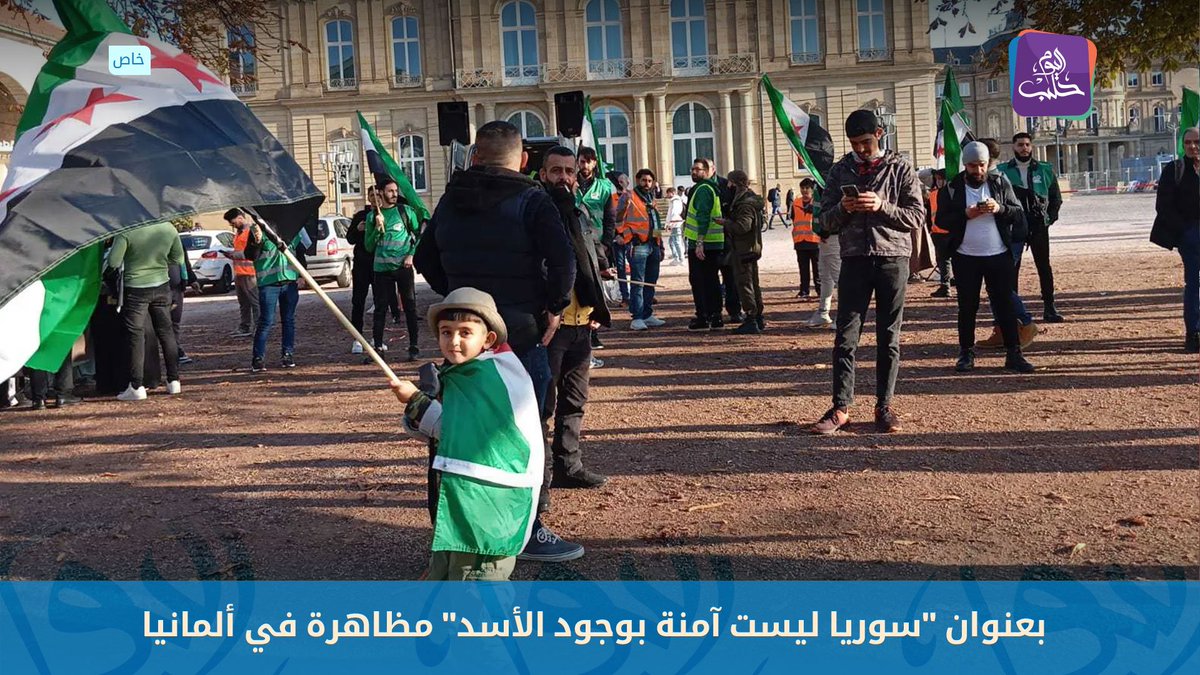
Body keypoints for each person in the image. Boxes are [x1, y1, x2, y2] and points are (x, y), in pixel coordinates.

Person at [414, 120, 582, 563]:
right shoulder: (532, 199)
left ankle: (450, 528)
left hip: (464, 339)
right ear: (524, 160)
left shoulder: (451, 199)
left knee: (453, 431)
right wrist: (554, 306)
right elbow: (564, 260)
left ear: (474, 157)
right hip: (519, 335)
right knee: (525, 432)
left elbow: (423, 257)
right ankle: (528, 530)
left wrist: (457, 302)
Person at [393, 288, 542, 581]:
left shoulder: (490, 379)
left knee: (475, 585)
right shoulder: (467, 372)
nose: (454, 341)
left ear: (488, 338)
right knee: (450, 569)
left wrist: (415, 402)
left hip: (486, 510)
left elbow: (454, 431)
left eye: (465, 332)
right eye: (446, 332)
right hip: (464, 504)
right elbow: (447, 432)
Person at [810, 110, 925, 434]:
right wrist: (842, 210)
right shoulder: (840, 170)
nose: (860, 149)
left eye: (865, 142)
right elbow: (823, 222)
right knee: (845, 337)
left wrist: (882, 206)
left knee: (889, 337)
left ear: (879, 133)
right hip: (855, 259)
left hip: (892, 260)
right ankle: (841, 408)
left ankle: (884, 407)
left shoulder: (901, 168)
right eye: (854, 144)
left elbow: (916, 216)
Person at [540, 145, 613, 489]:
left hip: (581, 325)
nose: (564, 178)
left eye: (569, 172)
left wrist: (596, 302)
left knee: (574, 401)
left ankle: (568, 466)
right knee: (542, 407)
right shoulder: (536, 213)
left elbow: (591, 255)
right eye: (556, 171)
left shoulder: (580, 211)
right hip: (548, 328)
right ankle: (538, 480)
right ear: (543, 175)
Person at [937, 141, 1036, 374]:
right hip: (965, 256)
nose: (978, 171)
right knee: (967, 307)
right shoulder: (952, 187)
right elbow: (941, 220)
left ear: (988, 164)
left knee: (1004, 305)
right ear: (965, 165)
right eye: (973, 166)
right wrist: (965, 214)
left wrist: (999, 208)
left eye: (982, 165)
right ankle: (966, 353)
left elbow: (1017, 212)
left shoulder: (1000, 182)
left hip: (998, 254)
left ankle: (1014, 353)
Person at [106, 221, 184, 401]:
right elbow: (178, 259)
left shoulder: (127, 230)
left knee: (136, 335)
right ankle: (174, 381)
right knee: (166, 332)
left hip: (135, 288)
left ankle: (136, 385)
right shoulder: (168, 227)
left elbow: (113, 261)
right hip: (162, 285)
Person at [977, 138, 1039, 350]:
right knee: (994, 287)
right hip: (1000, 239)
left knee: (1000, 286)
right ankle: (1001, 329)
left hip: (1009, 239)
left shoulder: (996, 179)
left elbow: (1013, 211)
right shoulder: (990, 176)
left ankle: (1026, 322)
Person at [999, 131, 1064, 322]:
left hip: (1038, 224)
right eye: (1020, 145)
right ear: (1013, 147)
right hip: (1015, 224)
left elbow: (1056, 197)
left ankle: (1049, 307)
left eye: (1027, 144)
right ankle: (1012, 310)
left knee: (1043, 266)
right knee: (1012, 268)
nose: (1024, 148)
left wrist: (1049, 218)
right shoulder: (1003, 170)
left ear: (1031, 146)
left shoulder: (1044, 169)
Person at [1150, 126, 1200, 353]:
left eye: (1196, 142)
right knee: (1194, 284)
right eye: (1188, 142)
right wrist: (1184, 233)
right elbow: (1163, 206)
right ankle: (1193, 332)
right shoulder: (1175, 169)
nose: (1192, 146)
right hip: (1190, 235)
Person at [365, 177, 423, 361]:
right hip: (381, 270)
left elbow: (420, 234)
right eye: (390, 191)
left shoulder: (405, 212)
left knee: (410, 307)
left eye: (396, 191)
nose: (394, 194)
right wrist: (377, 229)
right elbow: (368, 246)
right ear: (381, 193)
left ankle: (414, 346)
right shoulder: (372, 216)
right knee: (380, 309)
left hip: (402, 267)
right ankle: (378, 347)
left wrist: (411, 254)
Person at [238, 210, 304, 373]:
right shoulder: (258, 230)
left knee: (289, 320)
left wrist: (301, 274)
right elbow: (250, 255)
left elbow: (300, 253)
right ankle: (258, 358)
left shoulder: (291, 231)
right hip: (268, 283)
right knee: (266, 321)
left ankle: (288, 354)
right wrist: (257, 241)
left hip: (289, 281)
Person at [576, 147, 616, 351]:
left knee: (596, 287)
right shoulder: (571, 184)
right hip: (576, 240)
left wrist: (607, 242)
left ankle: (594, 333)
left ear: (594, 164)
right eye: (582, 161)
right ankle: (581, 331)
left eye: (588, 161)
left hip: (597, 241)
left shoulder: (605, 186)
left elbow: (610, 217)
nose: (585, 165)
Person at [617, 168, 666, 330]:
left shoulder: (651, 198)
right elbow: (618, 219)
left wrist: (660, 243)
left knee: (651, 282)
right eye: (644, 180)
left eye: (650, 181)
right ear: (638, 180)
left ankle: (647, 314)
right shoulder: (628, 196)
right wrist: (627, 235)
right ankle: (636, 316)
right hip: (638, 244)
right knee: (638, 282)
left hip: (653, 244)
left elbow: (656, 220)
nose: (647, 184)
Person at [719, 170, 765, 334]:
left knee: (745, 284)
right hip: (750, 248)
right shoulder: (749, 200)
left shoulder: (744, 203)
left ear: (735, 183)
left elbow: (743, 226)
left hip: (744, 249)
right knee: (753, 283)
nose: (728, 186)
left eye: (730, 183)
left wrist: (725, 223)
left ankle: (751, 318)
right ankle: (758, 317)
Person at [683, 158, 726, 331]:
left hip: (703, 244)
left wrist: (699, 242)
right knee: (711, 280)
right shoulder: (711, 188)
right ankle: (715, 315)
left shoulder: (702, 189)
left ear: (708, 171)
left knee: (699, 280)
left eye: (698, 169)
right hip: (713, 243)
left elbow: (702, 216)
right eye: (693, 169)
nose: (694, 172)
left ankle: (703, 316)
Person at [345, 187, 377, 354]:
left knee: (380, 302)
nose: (375, 199)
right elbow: (349, 238)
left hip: (380, 265)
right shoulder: (360, 216)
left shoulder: (386, 215)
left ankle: (377, 339)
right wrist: (358, 229)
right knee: (358, 302)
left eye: (377, 195)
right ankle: (357, 338)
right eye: (371, 195)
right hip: (362, 265)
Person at [224, 210, 259, 337]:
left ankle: (258, 327)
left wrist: (235, 255)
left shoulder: (251, 232)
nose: (232, 225)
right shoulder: (238, 233)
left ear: (240, 218)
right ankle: (245, 326)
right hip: (239, 273)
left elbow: (252, 252)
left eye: (232, 222)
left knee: (255, 302)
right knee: (243, 304)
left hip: (250, 273)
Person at [792, 178, 821, 299]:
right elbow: (794, 219)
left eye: (807, 188)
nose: (804, 190)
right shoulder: (796, 202)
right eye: (802, 188)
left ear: (812, 189)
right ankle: (804, 290)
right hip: (800, 241)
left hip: (814, 241)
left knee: (817, 269)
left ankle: (820, 290)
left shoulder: (817, 203)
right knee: (803, 269)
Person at [928, 169, 953, 297]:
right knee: (944, 261)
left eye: (940, 178)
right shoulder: (933, 194)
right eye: (936, 179)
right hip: (938, 232)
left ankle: (946, 285)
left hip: (947, 232)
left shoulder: (950, 193)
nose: (938, 181)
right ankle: (947, 284)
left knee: (946, 261)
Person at [664, 186, 686, 265]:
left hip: (675, 223)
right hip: (675, 223)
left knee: (676, 241)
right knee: (672, 241)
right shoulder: (674, 200)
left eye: (668, 193)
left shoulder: (675, 200)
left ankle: (680, 259)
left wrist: (670, 224)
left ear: (672, 193)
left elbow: (674, 213)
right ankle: (677, 257)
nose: (667, 195)